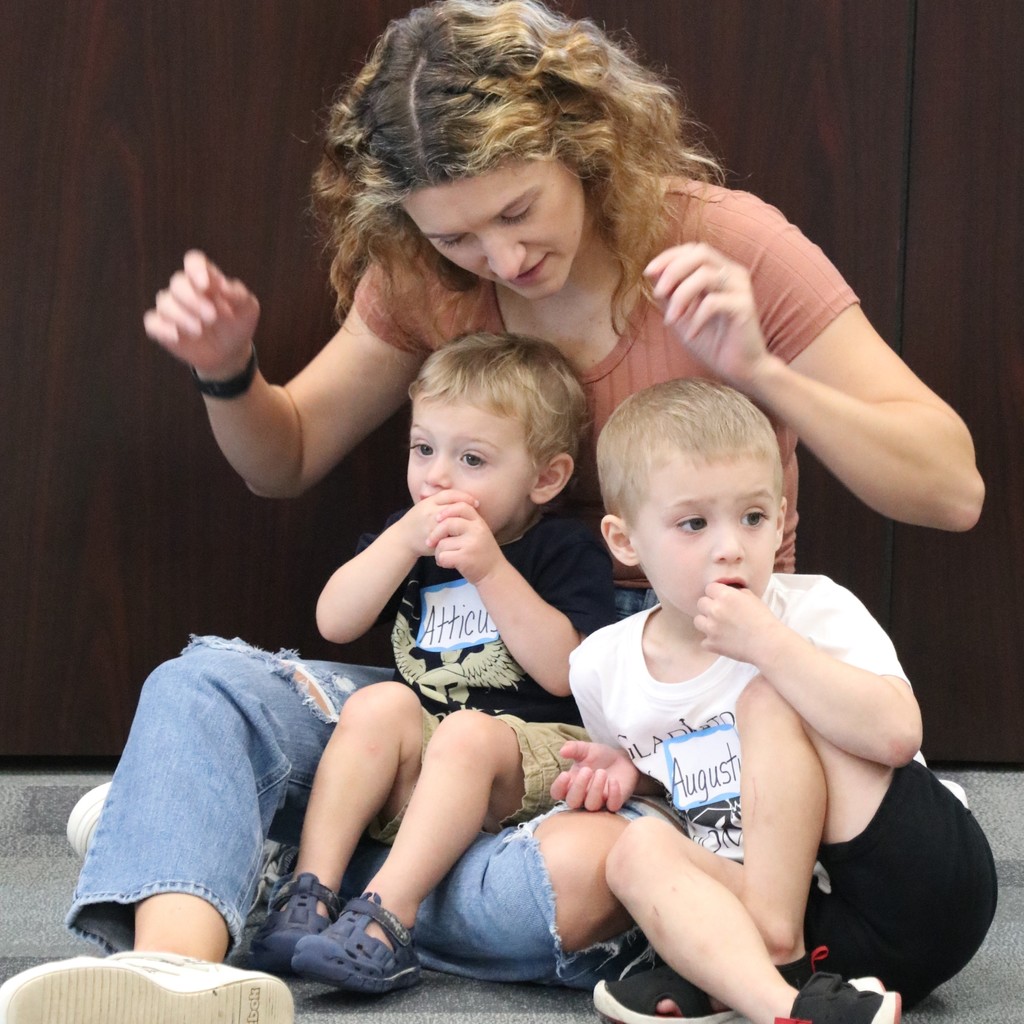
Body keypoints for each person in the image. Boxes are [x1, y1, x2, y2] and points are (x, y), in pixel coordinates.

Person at [0, 1, 985, 1021]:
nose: (501, 258)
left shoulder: (724, 246)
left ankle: (215, 846)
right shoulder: (428, 274)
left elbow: (950, 485)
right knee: (201, 686)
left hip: (648, 736)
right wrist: (228, 372)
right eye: (458, 234)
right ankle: (182, 976)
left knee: (594, 872)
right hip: (462, 703)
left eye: (519, 213)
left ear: (584, 146)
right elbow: (285, 454)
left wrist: (766, 372)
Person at [551, 378, 996, 1024]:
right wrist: (640, 779)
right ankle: (789, 1004)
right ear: (625, 542)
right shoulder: (601, 668)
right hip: (819, 935)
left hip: (912, 879)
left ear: (782, 517)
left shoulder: (814, 609)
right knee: (633, 853)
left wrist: (769, 645)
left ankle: (744, 963)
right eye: (694, 523)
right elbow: (705, 792)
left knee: (769, 699)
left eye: (753, 517)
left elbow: (897, 735)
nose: (730, 544)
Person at [248, 330, 617, 992]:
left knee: (468, 735)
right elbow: (334, 622)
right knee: (377, 703)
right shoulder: (407, 537)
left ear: (545, 478)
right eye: (423, 449)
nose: (437, 475)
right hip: (432, 749)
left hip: (530, 753)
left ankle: (389, 918)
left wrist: (490, 569)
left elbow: (566, 672)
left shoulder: (564, 551)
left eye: (471, 459)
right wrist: (397, 543)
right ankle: (310, 894)